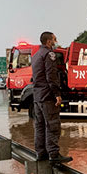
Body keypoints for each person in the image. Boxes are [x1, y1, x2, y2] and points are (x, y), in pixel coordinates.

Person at [32, 31, 72, 164]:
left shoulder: (36, 55)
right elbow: (51, 76)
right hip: (48, 96)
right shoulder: (49, 55)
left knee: (40, 126)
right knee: (53, 125)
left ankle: (41, 153)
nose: (56, 42)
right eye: (54, 40)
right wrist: (57, 94)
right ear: (49, 41)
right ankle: (54, 155)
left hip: (37, 97)